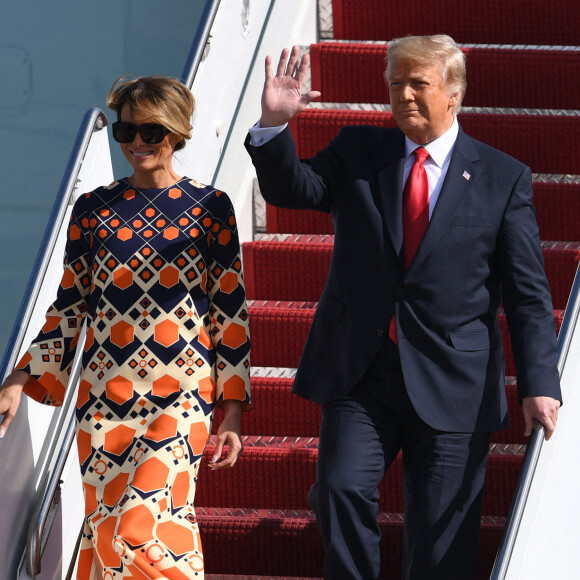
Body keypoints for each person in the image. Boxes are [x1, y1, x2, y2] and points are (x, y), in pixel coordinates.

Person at [244, 36, 561, 579]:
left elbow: (528, 294)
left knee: (440, 548)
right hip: (362, 370)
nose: (405, 96)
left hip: (453, 380)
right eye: (396, 84)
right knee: (341, 487)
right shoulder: (359, 152)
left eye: (419, 84)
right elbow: (293, 188)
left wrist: (540, 381)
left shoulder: (502, 178)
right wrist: (275, 126)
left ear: (455, 93)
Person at [0, 75, 251, 579]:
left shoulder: (211, 208)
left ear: (178, 132)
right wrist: (20, 377)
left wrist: (234, 410)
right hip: (103, 403)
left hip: (182, 394)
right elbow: (70, 305)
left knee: (139, 530)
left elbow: (229, 312)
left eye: (151, 131)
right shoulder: (92, 210)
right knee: (106, 535)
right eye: (127, 131)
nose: (137, 142)